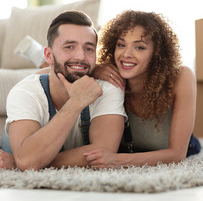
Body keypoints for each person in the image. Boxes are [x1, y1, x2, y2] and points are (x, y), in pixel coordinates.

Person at [0, 10, 127, 170]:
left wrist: (25, 162)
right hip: (13, 146)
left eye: (89, 49)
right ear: (48, 55)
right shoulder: (25, 91)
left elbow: (103, 152)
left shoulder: (108, 87)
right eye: (69, 47)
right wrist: (76, 102)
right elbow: (26, 159)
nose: (81, 56)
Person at [83, 10, 201, 168]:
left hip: (182, 151)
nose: (126, 54)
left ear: (157, 54)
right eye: (121, 45)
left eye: (139, 47)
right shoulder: (107, 77)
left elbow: (177, 154)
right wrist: (92, 70)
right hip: (133, 151)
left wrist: (116, 160)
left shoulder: (181, 77)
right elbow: (51, 74)